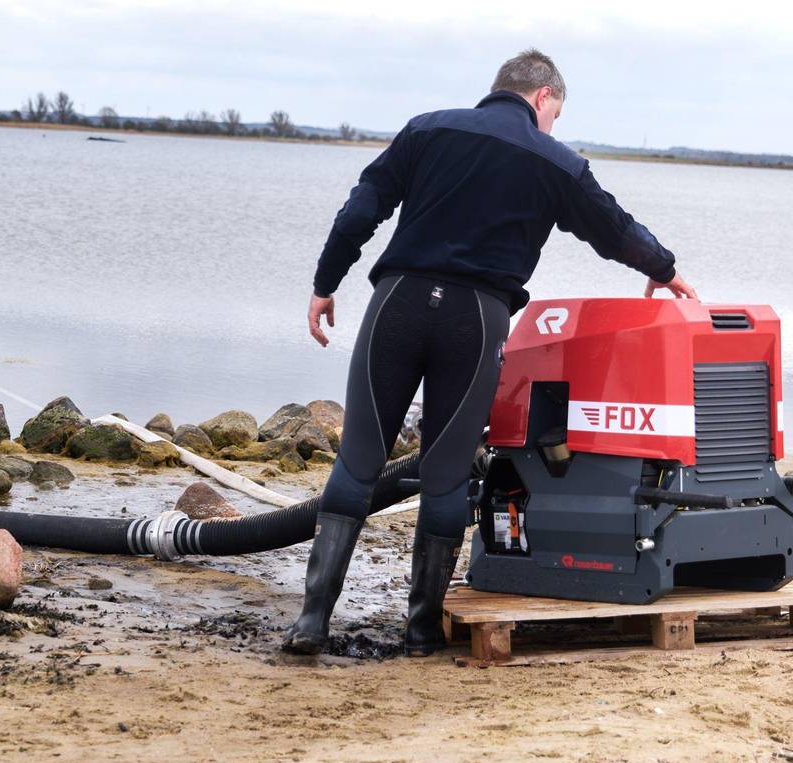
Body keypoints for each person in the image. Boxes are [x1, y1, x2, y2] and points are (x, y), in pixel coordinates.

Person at [283, 49, 698, 657]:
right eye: (555, 114)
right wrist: (664, 269)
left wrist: (326, 283)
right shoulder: (556, 162)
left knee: (357, 461)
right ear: (542, 97)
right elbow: (613, 229)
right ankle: (421, 630)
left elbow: (361, 210)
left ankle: (311, 622)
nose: (552, 126)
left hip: (397, 302)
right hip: (476, 319)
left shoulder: (427, 129)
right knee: (446, 474)